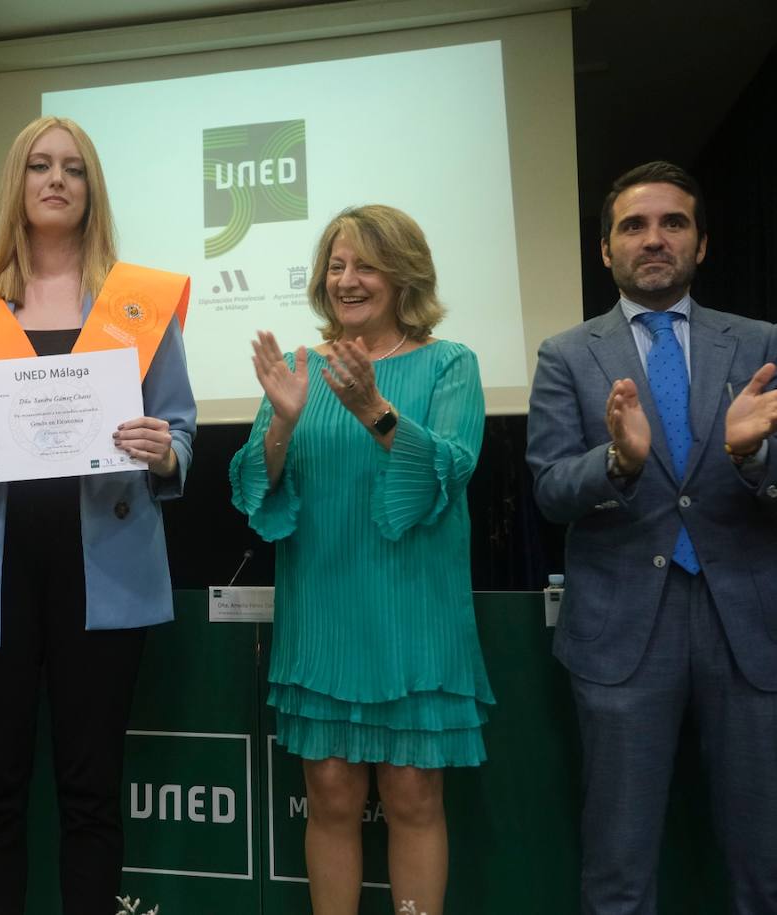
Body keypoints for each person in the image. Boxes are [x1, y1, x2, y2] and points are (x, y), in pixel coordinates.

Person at [0, 116, 196, 915]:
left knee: (92, 790)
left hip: (101, 567)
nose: (57, 179)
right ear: (18, 185)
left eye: (73, 167)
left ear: (91, 187)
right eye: (40, 166)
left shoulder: (139, 302)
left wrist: (162, 448)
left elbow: (180, 425)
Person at [526, 161, 777, 914]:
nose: (654, 238)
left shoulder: (762, 341)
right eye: (633, 226)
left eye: (674, 223)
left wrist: (752, 454)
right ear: (606, 250)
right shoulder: (567, 355)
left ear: (702, 243)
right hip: (622, 629)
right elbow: (549, 489)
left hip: (750, 627)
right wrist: (618, 462)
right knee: (620, 870)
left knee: (764, 865)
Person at [229, 205, 493, 915]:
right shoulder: (296, 369)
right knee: (332, 794)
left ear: (403, 273)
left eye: (365, 265)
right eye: (336, 266)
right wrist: (282, 421)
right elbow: (258, 485)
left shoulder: (450, 364)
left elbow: (451, 468)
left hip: (414, 613)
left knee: (412, 795)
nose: (347, 280)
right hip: (324, 610)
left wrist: (376, 409)